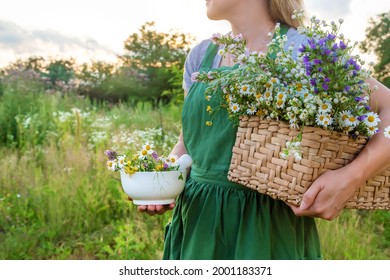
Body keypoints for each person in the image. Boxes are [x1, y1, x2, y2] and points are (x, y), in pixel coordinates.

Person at [136, 0, 390, 259]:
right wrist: (162, 182)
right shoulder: (201, 56)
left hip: (266, 231)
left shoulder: (301, 48)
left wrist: (351, 177)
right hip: (198, 223)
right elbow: (188, 143)